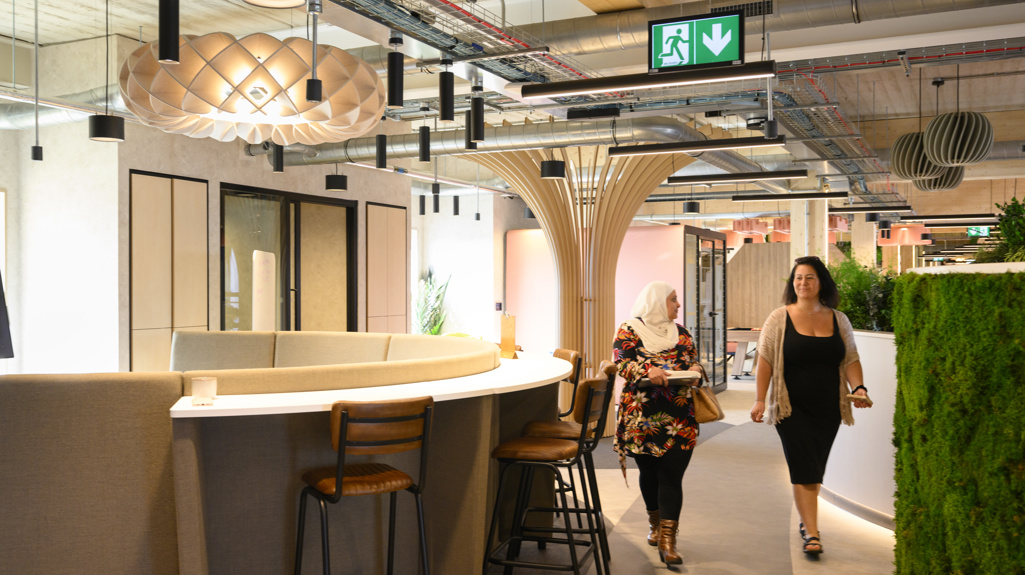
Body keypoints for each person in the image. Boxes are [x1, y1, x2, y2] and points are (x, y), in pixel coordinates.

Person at [750, 256, 871, 555]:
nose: (803, 283)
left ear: (821, 283)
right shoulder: (779, 318)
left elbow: (851, 358)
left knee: (814, 468)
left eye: (810, 278)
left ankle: (806, 520)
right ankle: (813, 533)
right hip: (791, 409)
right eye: (798, 278)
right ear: (793, 284)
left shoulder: (838, 319)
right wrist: (759, 399)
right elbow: (764, 360)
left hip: (829, 407)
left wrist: (859, 387)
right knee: (804, 467)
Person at [613, 281, 703, 565]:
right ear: (655, 301)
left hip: (680, 417)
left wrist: (698, 369)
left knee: (672, 476)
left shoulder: (683, 334)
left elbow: (694, 362)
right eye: (673, 299)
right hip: (642, 417)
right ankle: (654, 522)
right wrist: (647, 369)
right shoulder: (629, 329)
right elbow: (622, 363)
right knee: (650, 475)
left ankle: (668, 540)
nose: (678, 304)